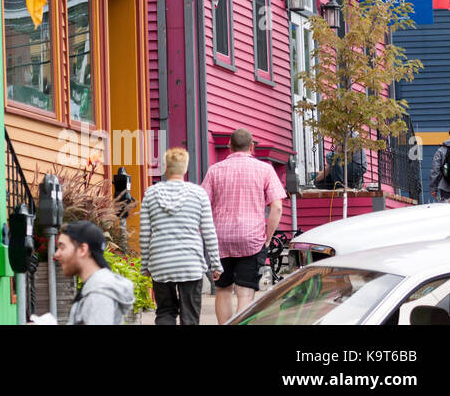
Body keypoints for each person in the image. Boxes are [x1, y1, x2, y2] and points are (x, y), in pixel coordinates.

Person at [201, 128, 286, 324]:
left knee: (223, 289)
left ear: (229, 146)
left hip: (220, 239)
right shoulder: (265, 169)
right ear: (252, 147)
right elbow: (277, 208)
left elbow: (202, 204)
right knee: (245, 292)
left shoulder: (215, 170)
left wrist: (204, 236)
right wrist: (268, 237)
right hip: (252, 238)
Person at [138, 147, 221, 325]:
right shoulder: (199, 194)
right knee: (190, 316)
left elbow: (145, 234)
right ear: (185, 168)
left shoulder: (150, 194)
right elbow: (208, 231)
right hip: (190, 263)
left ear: (165, 167)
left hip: (160, 262)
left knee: (165, 312)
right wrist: (215, 264)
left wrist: (145, 265)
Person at [53, 220, 134, 325]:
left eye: (62, 247)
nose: (56, 254)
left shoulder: (98, 296)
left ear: (83, 250)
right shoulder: (95, 288)